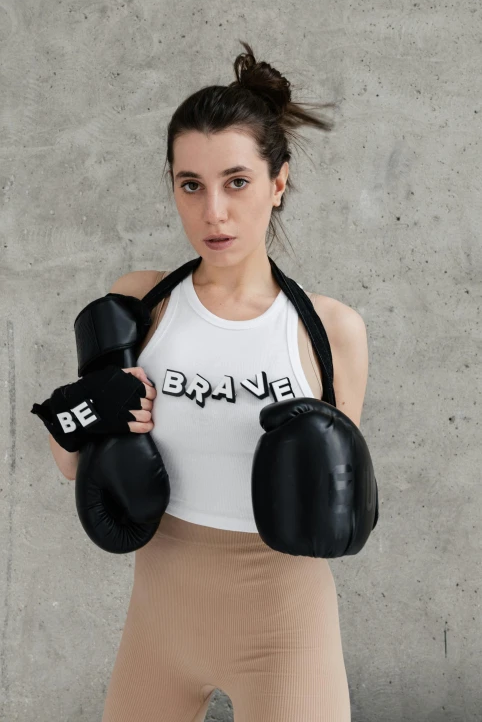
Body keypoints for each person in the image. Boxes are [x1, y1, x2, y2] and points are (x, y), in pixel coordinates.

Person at [49, 41, 369, 722]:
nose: (213, 213)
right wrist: (94, 415)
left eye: (236, 182)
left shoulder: (330, 331)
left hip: (286, 631)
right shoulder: (139, 303)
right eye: (190, 184)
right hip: (160, 622)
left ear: (277, 185)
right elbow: (73, 463)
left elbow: (340, 506)